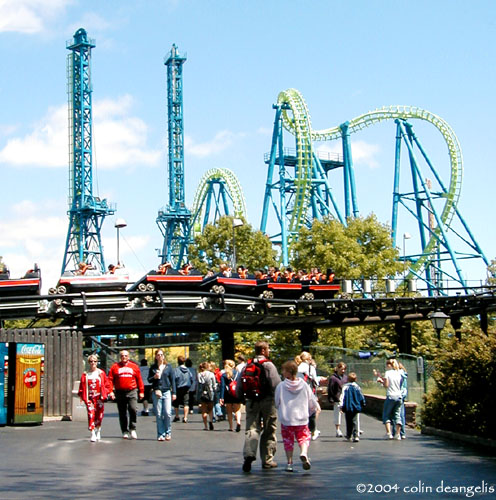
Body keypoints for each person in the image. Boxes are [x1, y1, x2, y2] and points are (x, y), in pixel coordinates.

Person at [237, 340, 281, 473]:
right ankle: (267, 460)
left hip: (251, 401)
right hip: (268, 401)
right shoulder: (269, 365)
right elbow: (276, 385)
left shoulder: (247, 366)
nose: (269, 352)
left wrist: (242, 399)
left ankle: (249, 455)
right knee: (269, 429)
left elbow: (239, 385)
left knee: (252, 428)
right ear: (263, 350)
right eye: (268, 349)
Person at [275, 360, 316, 472]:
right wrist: (311, 411)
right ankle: (303, 453)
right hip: (301, 418)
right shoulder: (304, 385)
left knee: (288, 441)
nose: (282, 373)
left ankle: (289, 463)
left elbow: (277, 402)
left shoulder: (281, 386)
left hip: (287, 418)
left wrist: (281, 409)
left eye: (283, 370)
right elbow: (312, 401)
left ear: (288, 372)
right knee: (304, 437)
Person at [108, 350, 145, 439]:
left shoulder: (134, 367)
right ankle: (124, 431)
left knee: (133, 409)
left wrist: (141, 391)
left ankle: (132, 428)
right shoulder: (115, 367)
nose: (124, 357)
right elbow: (110, 380)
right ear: (120, 357)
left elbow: (139, 379)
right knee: (122, 412)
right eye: (122, 356)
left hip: (132, 391)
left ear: (128, 357)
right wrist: (111, 391)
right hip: (120, 392)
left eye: (125, 356)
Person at [78, 354, 109, 442]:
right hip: (90, 398)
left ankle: (98, 430)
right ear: (88, 363)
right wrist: (82, 396)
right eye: (91, 361)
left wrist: (106, 393)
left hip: (99, 397)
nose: (93, 363)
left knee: (99, 415)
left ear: (97, 362)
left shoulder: (101, 373)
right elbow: (81, 387)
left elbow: (107, 385)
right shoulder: (85, 375)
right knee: (91, 414)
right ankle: (92, 433)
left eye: (94, 361)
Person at [148, 349, 176, 441]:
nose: (160, 356)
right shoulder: (153, 368)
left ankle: (168, 432)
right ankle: (161, 434)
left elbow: (173, 380)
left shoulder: (168, 367)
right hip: (157, 391)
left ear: (163, 356)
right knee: (159, 414)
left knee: (167, 413)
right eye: (158, 355)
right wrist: (154, 377)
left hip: (167, 391)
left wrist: (174, 393)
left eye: (161, 355)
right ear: (156, 357)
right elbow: (149, 379)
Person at [375, 359, 403, 440]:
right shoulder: (399, 373)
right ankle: (398, 434)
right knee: (397, 415)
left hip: (391, 395)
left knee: (386, 415)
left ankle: (389, 433)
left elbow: (386, 385)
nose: (386, 366)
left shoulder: (388, 373)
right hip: (398, 395)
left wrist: (381, 381)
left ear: (390, 365)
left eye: (387, 364)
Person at [296, 351, 321, 440]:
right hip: (309, 392)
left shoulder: (298, 368)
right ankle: (312, 430)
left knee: (303, 411)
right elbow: (316, 382)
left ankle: (303, 429)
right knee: (315, 410)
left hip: (300, 393)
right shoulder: (310, 368)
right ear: (309, 359)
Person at [339, 372, 366, 442]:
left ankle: (349, 435)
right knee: (356, 421)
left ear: (348, 379)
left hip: (348, 406)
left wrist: (341, 405)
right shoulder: (357, 387)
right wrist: (363, 403)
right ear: (356, 379)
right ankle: (356, 435)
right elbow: (361, 396)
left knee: (348, 421)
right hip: (356, 406)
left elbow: (342, 396)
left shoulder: (345, 387)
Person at [219, 359, 242, 432]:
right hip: (236, 393)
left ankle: (231, 427)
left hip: (228, 394)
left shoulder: (224, 375)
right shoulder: (238, 373)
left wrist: (221, 397)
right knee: (237, 410)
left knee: (229, 412)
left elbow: (222, 387)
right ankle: (238, 422)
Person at [328, 361, 348, 437]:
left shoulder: (346, 378)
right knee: (337, 414)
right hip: (337, 398)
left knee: (348, 414)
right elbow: (330, 389)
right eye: (341, 369)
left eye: (344, 369)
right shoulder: (333, 378)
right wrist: (331, 399)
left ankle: (352, 429)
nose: (343, 371)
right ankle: (338, 430)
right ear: (338, 368)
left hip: (345, 398)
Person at [172, 355, 194, 423]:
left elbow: (174, 380)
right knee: (186, 403)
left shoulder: (176, 370)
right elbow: (191, 378)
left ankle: (177, 416)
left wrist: (173, 390)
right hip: (186, 388)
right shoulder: (188, 370)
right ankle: (185, 417)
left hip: (178, 388)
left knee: (176, 403)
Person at [197, 361, 217, 430]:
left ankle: (205, 426)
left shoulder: (199, 375)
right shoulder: (211, 374)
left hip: (202, 393)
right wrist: (215, 391)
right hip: (210, 393)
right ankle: (211, 421)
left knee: (204, 410)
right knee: (210, 409)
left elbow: (199, 385)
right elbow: (214, 385)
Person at [398, 362, 408, 439]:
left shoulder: (399, 374)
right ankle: (403, 432)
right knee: (402, 413)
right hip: (404, 393)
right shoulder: (404, 373)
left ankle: (398, 432)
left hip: (399, 394)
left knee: (398, 414)